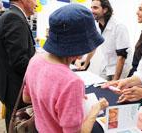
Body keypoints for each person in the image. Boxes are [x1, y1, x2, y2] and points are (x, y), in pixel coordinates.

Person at [22, 4, 109, 132]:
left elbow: (27, 98)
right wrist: (95, 110)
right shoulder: (72, 82)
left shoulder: (35, 60)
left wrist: (62, 103)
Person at [0, 0, 36, 130]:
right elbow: (19, 62)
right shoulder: (14, 18)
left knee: (13, 123)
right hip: (16, 87)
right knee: (18, 125)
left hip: (11, 86)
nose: (36, 3)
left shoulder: (11, 15)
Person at [76, 0, 131, 81]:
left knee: (114, 91)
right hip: (107, 64)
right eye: (91, 8)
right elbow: (93, 46)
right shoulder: (98, 26)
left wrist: (115, 81)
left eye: (95, 8)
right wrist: (85, 65)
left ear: (105, 10)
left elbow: (122, 56)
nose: (92, 11)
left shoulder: (119, 27)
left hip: (120, 66)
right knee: (101, 86)